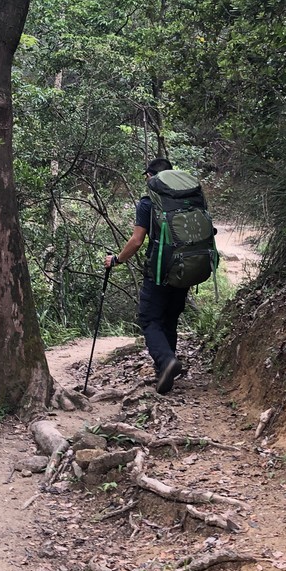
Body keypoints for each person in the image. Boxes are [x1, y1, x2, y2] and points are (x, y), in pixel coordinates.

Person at [104, 156, 208, 395]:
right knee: (170, 318)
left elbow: (137, 240)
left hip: (160, 271)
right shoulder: (190, 198)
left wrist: (117, 259)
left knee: (150, 318)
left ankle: (166, 361)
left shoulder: (148, 203)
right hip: (186, 268)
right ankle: (165, 372)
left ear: (151, 177)